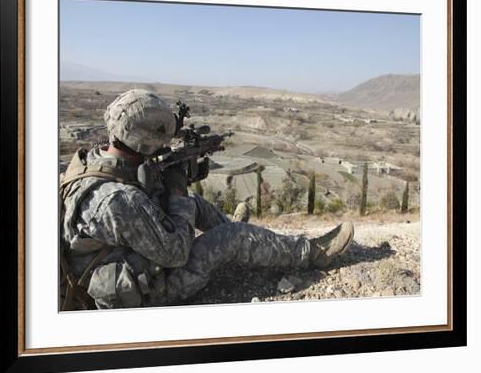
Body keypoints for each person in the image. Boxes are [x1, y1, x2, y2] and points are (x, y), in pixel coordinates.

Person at [59, 89, 354, 310]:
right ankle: (315, 253)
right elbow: (175, 254)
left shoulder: (92, 162)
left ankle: (249, 243)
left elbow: (138, 206)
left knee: (197, 207)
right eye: (162, 141)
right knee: (229, 235)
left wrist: (168, 187)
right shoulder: (117, 201)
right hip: (144, 292)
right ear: (144, 142)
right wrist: (176, 192)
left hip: (126, 258)